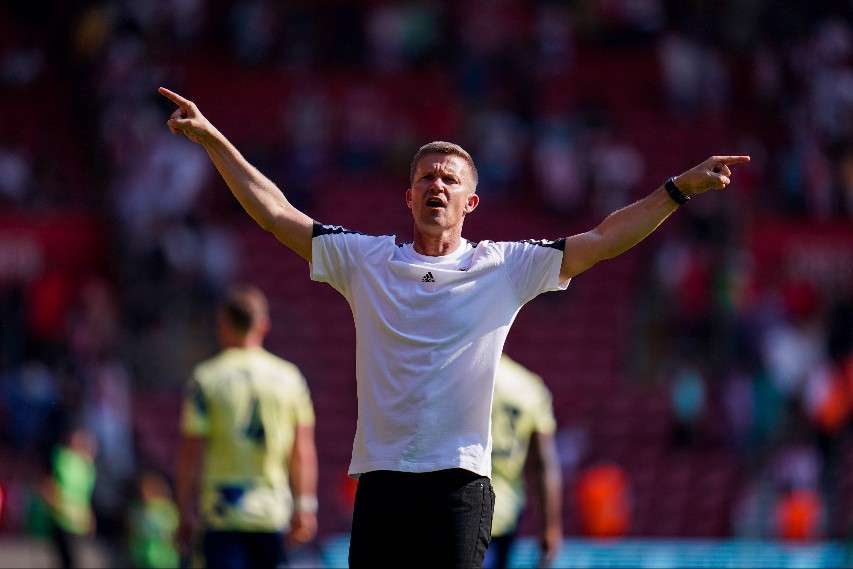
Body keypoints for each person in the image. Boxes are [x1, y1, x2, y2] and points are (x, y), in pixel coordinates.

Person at [159, 85, 749, 567]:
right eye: (426, 178)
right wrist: (211, 138)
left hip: (459, 484)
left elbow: (602, 239)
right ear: (408, 196)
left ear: (471, 203)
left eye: (449, 180)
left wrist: (678, 190)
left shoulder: (504, 267)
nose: (436, 186)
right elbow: (275, 212)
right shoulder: (365, 260)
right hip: (382, 480)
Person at [176, 285, 318, 569]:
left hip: (221, 511)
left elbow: (192, 450)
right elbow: (301, 449)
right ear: (263, 325)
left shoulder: (206, 378)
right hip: (272, 511)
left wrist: (184, 508)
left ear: (223, 323)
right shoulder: (290, 378)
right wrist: (305, 505)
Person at [486, 354, 562, 569]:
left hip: (454, 502)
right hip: (504, 510)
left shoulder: (458, 378)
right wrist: (550, 527)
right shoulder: (527, 386)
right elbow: (542, 463)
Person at [39, 425, 97, 569]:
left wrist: (89, 516)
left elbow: (84, 496)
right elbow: (47, 485)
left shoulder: (86, 465)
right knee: (67, 560)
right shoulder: (59, 458)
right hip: (60, 519)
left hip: (78, 522)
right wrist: (54, 504)